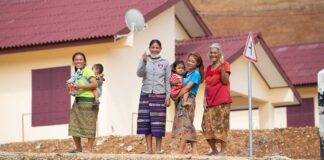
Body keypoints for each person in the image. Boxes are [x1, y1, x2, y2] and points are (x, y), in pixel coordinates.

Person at [136, 39, 171, 154]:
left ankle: (158, 149)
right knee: (146, 121)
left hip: (159, 95)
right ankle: (149, 149)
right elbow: (139, 74)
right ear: (149, 48)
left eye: (157, 47)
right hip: (145, 94)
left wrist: (168, 95)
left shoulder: (165, 62)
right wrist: (144, 61)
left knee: (158, 123)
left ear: (160, 49)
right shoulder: (144, 59)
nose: (155, 49)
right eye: (153, 47)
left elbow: (167, 80)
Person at [201, 43, 232, 156]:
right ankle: (214, 150)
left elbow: (224, 80)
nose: (213, 54)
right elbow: (207, 85)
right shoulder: (209, 68)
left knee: (221, 126)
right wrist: (204, 99)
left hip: (222, 101)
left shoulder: (226, 64)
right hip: (210, 102)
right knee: (205, 125)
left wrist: (223, 65)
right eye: (211, 52)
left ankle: (222, 152)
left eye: (215, 52)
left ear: (219, 53)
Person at [172, 52, 204, 155]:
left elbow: (187, 87)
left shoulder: (196, 74)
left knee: (186, 124)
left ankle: (181, 150)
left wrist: (176, 96)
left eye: (193, 61)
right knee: (185, 124)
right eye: (189, 60)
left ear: (197, 63)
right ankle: (194, 150)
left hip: (188, 99)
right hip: (182, 99)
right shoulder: (186, 73)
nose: (190, 63)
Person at [67, 52, 99, 153]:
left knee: (90, 125)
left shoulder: (87, 71)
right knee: (73, 124)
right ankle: (78, 148)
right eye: (76, 60)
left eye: (80, 59)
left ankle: (89, 149)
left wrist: (78, 86)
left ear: (84, 61)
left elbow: (94, 85)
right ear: (73, 62)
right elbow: (73, 87)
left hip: (89, 101)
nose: (78, 61)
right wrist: (71, 90)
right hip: (78, 101)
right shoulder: (76, 74)